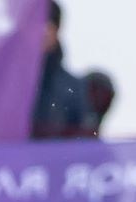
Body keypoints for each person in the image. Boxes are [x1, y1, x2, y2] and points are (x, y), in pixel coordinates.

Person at [29, 3, 95, 138]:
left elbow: (84, 139)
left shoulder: (73, 87)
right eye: (35, 24)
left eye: (48, 25)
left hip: (52, 157)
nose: (41, 31)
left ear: (56, 31)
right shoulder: (2, 79)